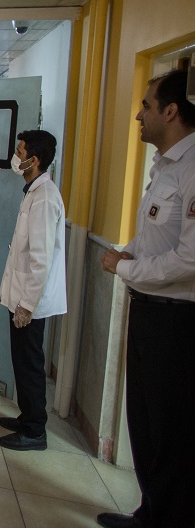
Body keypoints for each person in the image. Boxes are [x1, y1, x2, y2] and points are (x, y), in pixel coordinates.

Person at [99, 69, 195, 528]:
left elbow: (190, 259)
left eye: (146, 106)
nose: (139, 116)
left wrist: (126, 268)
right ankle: (150, 513)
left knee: (171, 428)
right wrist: (129, 252)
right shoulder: (164, 167)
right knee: (143, 420)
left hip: (177, 319)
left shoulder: (193, 168)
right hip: (148, 309)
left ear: (171, 111)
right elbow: (154, 234)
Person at [0, 130, 67, 452]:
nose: (15, 156)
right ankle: (27, 417)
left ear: (33, 160)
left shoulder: (45, 197)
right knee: (22, 360)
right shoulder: (34, 191)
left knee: (29, 363)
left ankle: (35, 430)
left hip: (31, 301)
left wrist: (26, 304)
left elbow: (41, 259)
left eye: (20, 151)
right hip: (23, 296)